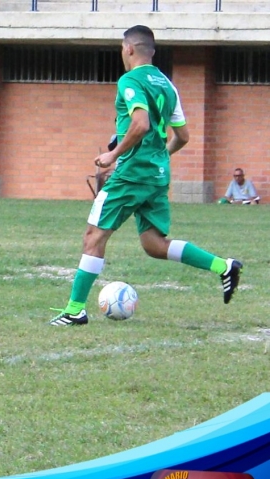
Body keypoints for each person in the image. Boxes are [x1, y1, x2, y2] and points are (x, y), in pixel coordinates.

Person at [50, 25, 243, 326]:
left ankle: (75, 309)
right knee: (154, 244)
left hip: (131, 175)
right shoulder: (167, 85)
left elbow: (140, 123)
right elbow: (183, 136)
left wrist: (113, 155)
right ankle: (223, 266)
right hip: (156, 175)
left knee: (94, 236)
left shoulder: (130, 80)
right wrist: (158, 158)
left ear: (128, 48)